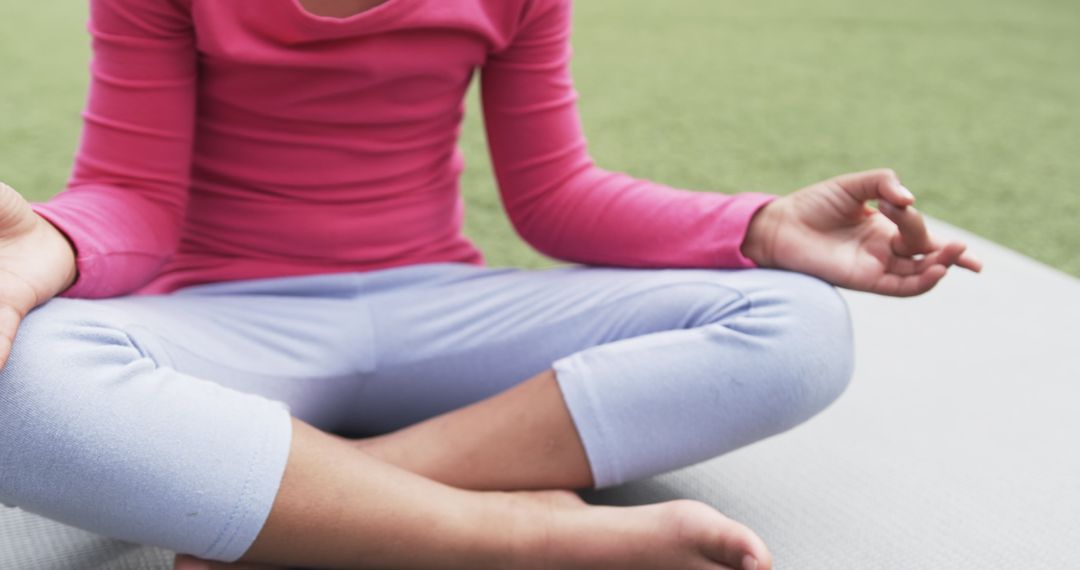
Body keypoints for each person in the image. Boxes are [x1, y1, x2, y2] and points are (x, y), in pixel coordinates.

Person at [0, 0, 982, 569]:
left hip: (442, 310)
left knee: (800, 324)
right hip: (228, 324)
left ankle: (325, 501)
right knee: (16, 383)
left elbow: (556, 195)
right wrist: (44, 250)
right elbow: (133, 199)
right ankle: (509, 532)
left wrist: (760, 227)